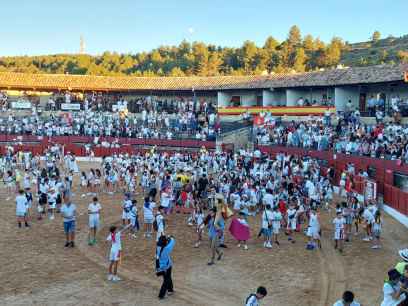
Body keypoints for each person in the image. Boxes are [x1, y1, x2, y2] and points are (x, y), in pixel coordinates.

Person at [156, 235, 176, 300]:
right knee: (166, 280)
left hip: (160, 267)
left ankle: (170, 290)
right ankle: (161, 295)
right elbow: (172, 241)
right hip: (167, 267)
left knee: (167, 277)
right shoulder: (167, 248)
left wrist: (166, 239)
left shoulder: (158, 247)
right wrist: (170, 237)